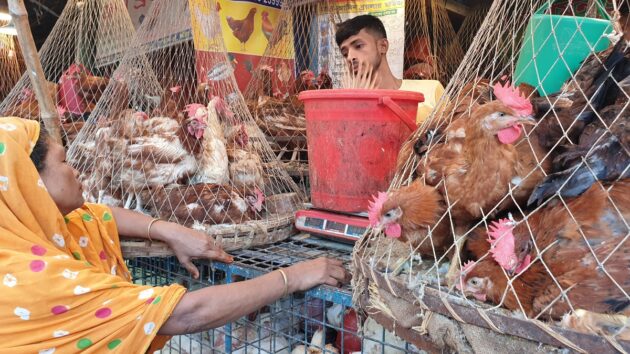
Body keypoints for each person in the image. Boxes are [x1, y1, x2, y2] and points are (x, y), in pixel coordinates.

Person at [0, 116, 348, 353]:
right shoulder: (35, 283)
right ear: (28, 184)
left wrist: (167, 229)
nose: (75, 170)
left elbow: (99, 214)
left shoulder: (27, 230)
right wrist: (292, 276)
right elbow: (185, 313)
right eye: (63, 162)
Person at [335, 14, 444, 123]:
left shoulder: (431, 90)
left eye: (358, 46)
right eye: (345, 53)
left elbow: (453, 134)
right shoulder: (348, 107)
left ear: (383, 46)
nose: (350, 57)